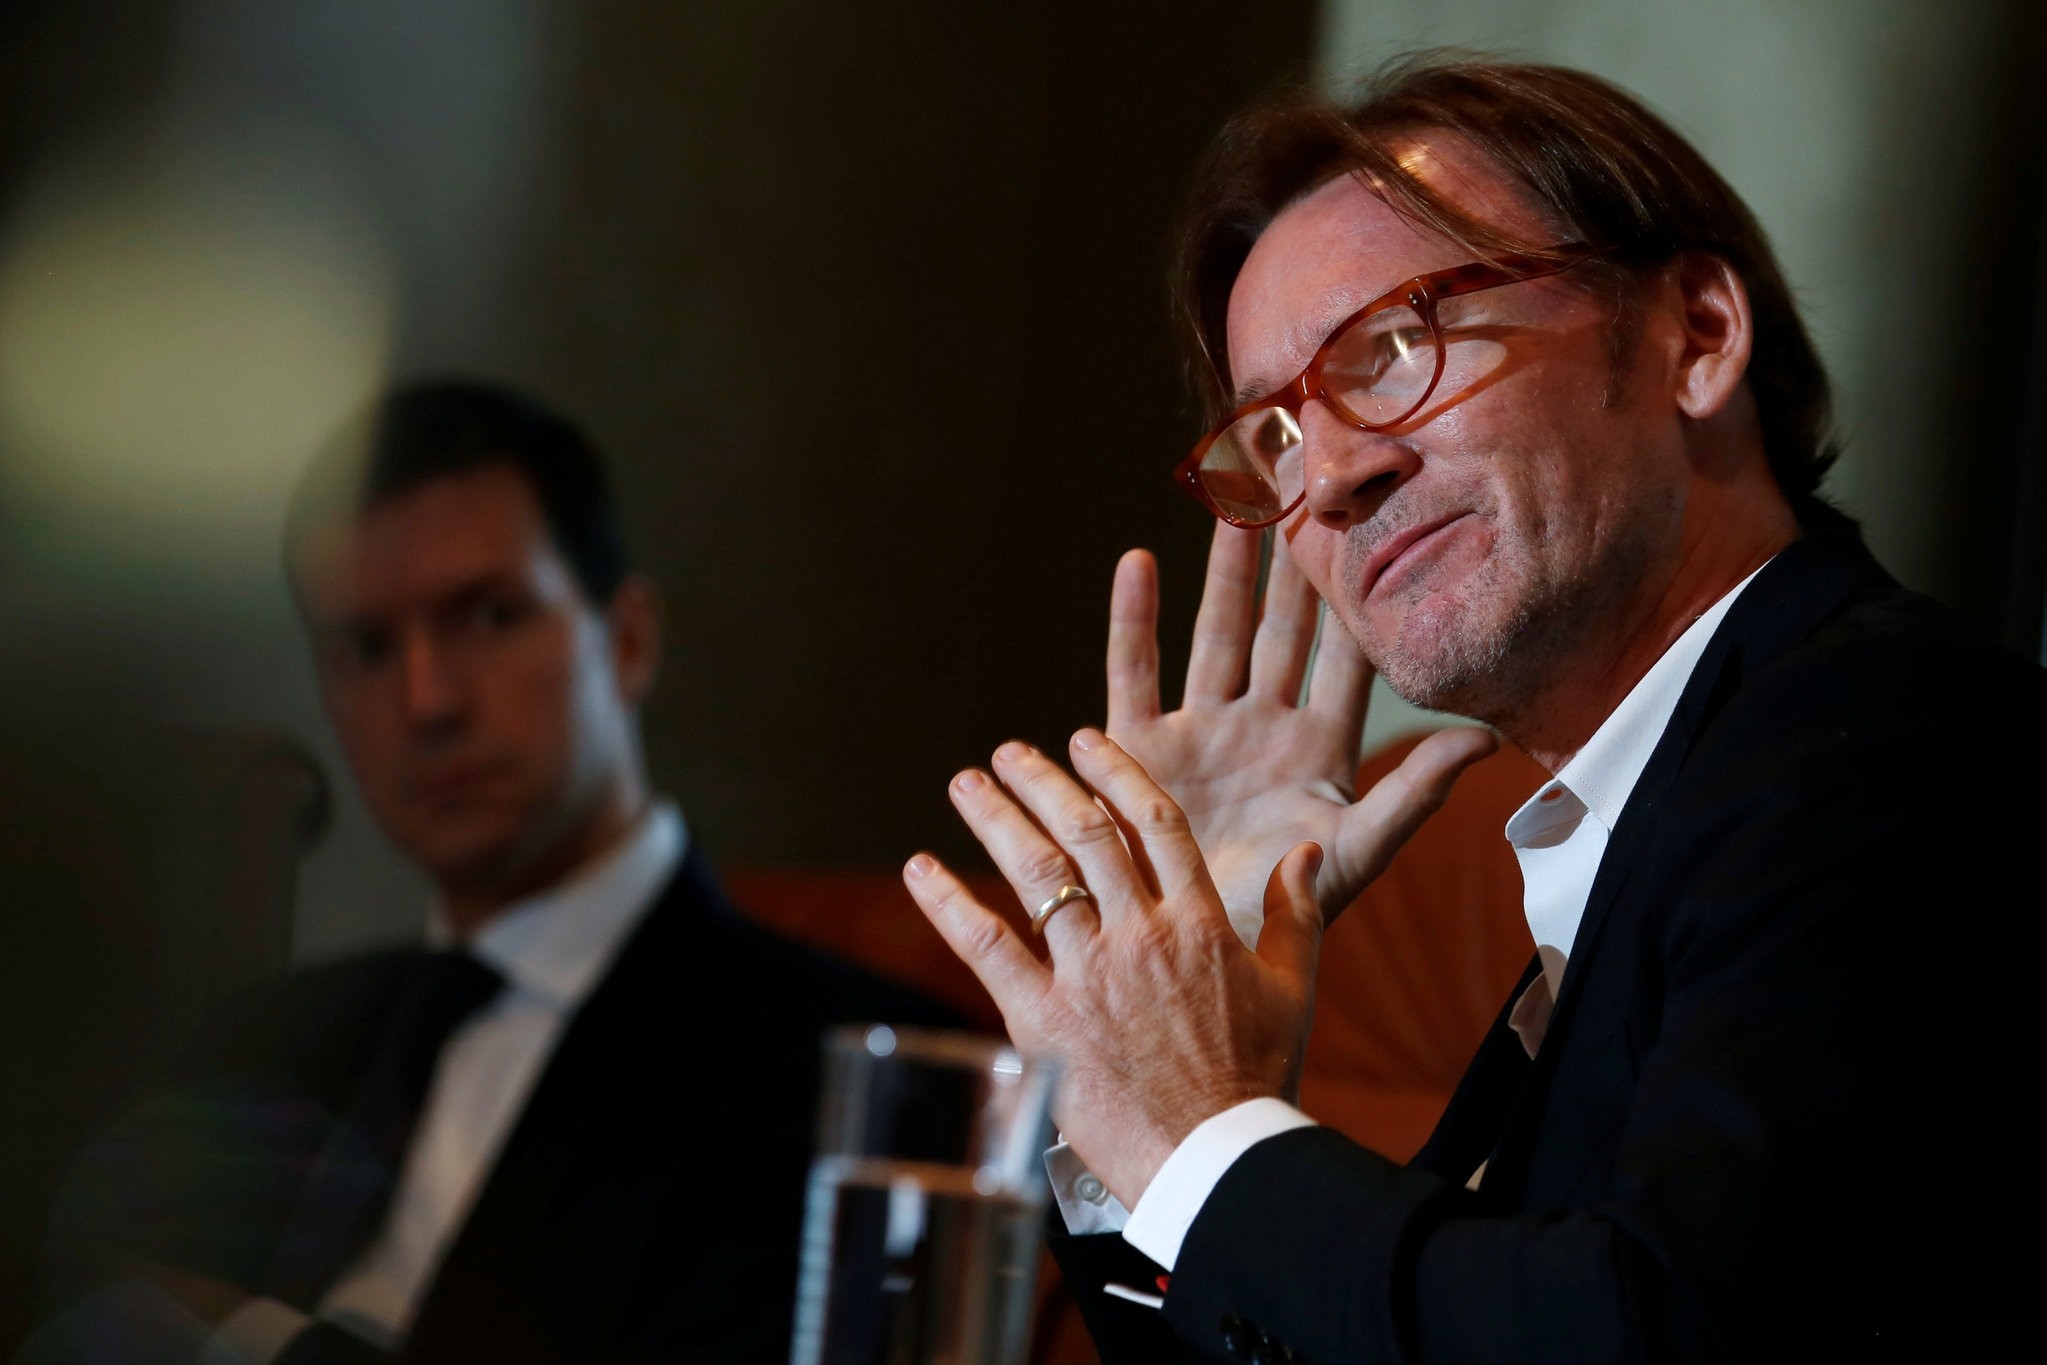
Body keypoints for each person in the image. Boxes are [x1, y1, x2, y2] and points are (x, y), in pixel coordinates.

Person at [903, 57, 2045, 1361]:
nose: (1326, 477)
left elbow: (1652, 1338)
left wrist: (1203, 1138)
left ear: (1696, 336)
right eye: (1271, 436)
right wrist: (1156, 1103)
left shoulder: (1894, 742)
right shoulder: (1665, 802)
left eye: (1391, 346)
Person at [24, 379, 956, 1364]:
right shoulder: (264, 1035)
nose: (425, 701)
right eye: (365, 647)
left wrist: (239, 1335)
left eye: (487, 616)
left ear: (627, 639)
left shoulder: (855, 1078)